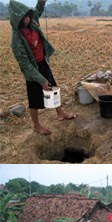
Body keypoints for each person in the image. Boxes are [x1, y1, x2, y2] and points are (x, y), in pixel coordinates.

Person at [9, 0, 76, 136]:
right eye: (24, 18)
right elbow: (25, 65)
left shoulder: (33, 23)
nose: (27, 19)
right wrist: (41, 80)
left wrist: (41, 1)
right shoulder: (16, 39)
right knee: (34, 98)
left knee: (53, 86)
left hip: (42, 62)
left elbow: (38, 10)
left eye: (28, 16)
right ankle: (36, 125)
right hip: (31, 70)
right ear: (17, 19)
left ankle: (60, 112)